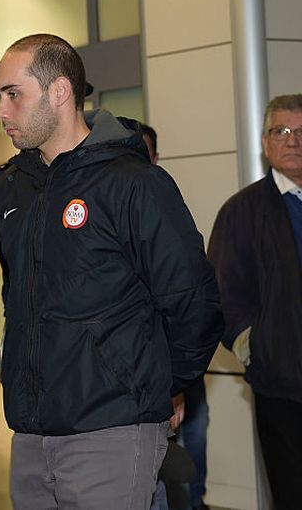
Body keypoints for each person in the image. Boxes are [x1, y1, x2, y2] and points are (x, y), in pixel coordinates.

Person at [0, 34, 223, 510]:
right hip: (29, 434)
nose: (1, 112)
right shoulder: (4, 190)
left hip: (113, 430)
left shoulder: (133, 184)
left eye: (13, 94)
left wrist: (161, 384)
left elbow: (193, 300)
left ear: (60, 92)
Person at [208, 93, 302, 508]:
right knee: (292, 493)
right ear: (265, 143)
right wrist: (257, 349)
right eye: (281, 131)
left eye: (301, 132)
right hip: (281, 387)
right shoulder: (242, 212)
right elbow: (224, 294)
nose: (292, 140)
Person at [141, 122, 211, 510]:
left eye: (144, 153)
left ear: (156, 156)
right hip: (146, 377)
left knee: (191, 459)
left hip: (182, 369)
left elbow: (193, 298)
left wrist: (180, 381)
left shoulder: (167, 203)